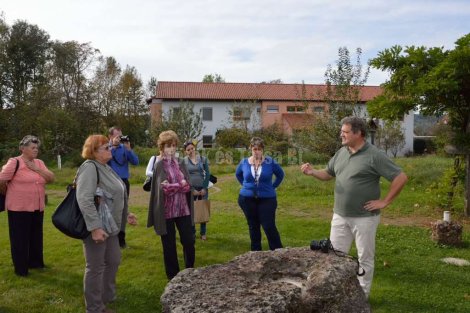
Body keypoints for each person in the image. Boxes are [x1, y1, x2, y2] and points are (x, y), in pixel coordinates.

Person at [300, 116, 408, 298]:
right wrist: (312, 172)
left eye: (345, 132)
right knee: (335, 256)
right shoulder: (342, 152)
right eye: (342, 131)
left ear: (359, 133)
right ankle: (337, 293)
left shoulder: (374, 155)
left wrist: (385, 201)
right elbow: (328, 174)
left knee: (364, 258)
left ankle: (361, 297)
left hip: (364, 217)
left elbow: (401, 177)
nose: (341, 134)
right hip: (340, 215)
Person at [76, 134, 130, 313]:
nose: (110, 149)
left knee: (113, 260)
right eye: (106, 147)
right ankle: (94, 307)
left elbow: (116, 194)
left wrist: (126, 214)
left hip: (111, 225)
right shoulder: (90, 167)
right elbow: (84, 199)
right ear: (94, 152)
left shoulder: (105, 167)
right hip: (98, 226)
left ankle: (106, 296)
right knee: (95, 267)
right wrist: (95, 228)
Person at [0, 135, 54, 277]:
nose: (36, 150)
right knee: (20, 239)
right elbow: (2, 179)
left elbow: (51, 178)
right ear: (22, 149)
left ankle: (36, 263)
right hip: (19, 208)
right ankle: (21, 268)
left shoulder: (39, 163)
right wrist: (7, 192)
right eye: (32, 148)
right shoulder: (14, 162)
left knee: (36, 236)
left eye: (37, 148)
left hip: (37, 206)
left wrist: (36, 168)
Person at [147, 130, 195, 280]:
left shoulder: (181, 163)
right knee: (169, 246)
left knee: (188, 240)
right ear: (161, 148)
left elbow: (188, 186)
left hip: (183, 209)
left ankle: (190, 270)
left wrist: (176, 185)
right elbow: (163, 189)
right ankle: (172, 276)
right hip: (166, 211)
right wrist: (179, 185)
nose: (172, 149)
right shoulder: (159, 165)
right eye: (168, 146)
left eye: (174, 145)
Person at [236, 137, 285, 251]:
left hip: (267, 199)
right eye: (254, 149)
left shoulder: (270, 162)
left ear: (263, 150)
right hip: (247, 199)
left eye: (259, 149)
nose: (256, 151)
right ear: (251, 149)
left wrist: (272, 187)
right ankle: (255, 253)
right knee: (253, 226)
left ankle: (278, 252)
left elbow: (280, 175)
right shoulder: (244, 162)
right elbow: (238, 175)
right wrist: (246, 186)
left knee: (268, 225)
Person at [107, 126, 138, 248]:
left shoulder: (124, 147)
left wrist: (129, 149)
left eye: (121, 135)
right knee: (111, 210)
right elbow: (105, 160)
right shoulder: (106, 148)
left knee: (123, 210)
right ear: (110, 136)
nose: (120, 138)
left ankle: (121, 240)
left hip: (124, 182)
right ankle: (110, 239)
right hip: (110, 183)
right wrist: (113, 147)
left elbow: (135, 162)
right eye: (117, 136)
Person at [183, 140, 210, 240]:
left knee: (203, 210)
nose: (191, 151)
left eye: (192, 148)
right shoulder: (184, 161)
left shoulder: (203, 159)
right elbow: (184, 176)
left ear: (195, 148)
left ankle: (203, 233)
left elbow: (207, 174)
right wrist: (191, 189)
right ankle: (192, 232)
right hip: (191, 190)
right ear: (185, 151)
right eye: (188, 149)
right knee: (192, 211)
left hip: (203, 189)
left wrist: (204, 187)